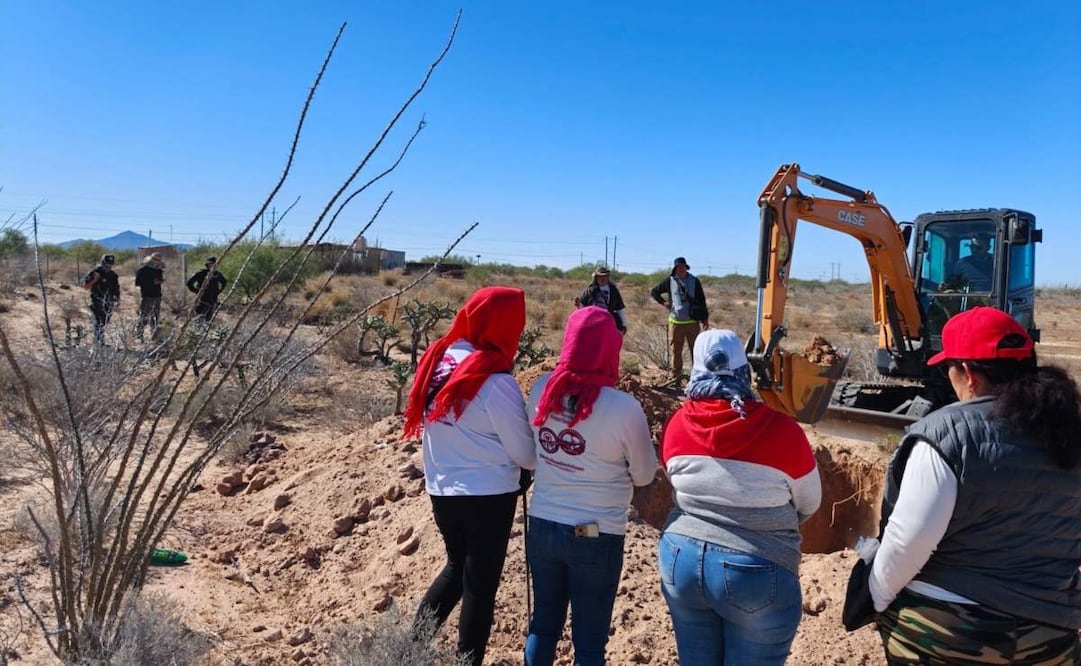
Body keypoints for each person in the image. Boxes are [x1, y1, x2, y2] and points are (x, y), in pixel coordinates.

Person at [869, 307, 1081, 664]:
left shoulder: (947, 433)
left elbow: (907, 543)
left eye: (948, 369)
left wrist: (874, 599)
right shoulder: (1069, 431)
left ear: (967, 374)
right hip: (1050, 634)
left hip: (951, 631)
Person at [657, 329, 821, 665]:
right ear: (744, 370)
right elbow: (809, 503)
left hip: (679, 558)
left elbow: (674, 480)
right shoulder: (783, 431)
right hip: (756, 568)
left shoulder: (676, 425)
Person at [403, 286, 537, 666]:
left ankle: (408, 650)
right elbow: (526, 454)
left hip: (441, 488)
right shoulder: (495, 380)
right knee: (480, 586)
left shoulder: (438, 359)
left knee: (455, 568)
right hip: (488, 495)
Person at [523, 306, 658, 666]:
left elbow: (533, 452)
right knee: (589, 642)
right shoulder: (623, 407)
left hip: (543, 525)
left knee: (543, 626)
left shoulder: (542, 389)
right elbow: (645, 475)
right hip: (596, 534)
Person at [650, 257, 708, 384]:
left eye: (683, 267)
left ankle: (698, 376)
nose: (681, 269)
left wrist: (705, 319)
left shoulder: (694, 281)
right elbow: (654, 292)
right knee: (675, 351)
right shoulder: (669, 281)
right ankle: (675, 376)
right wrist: (663, 303)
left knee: (696, 350)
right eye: (678, 267)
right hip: (675, 322)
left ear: (686, 267)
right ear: (675, 269)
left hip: (692, 322)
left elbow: (701, 300)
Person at [575, 266, 628, 334]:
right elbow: (583, 308)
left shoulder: (613, 290)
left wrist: (624, 325)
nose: (602, 278)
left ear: (608, 277)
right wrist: (579, 306)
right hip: (592, 322)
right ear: (596, 277)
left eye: (604, 276)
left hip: (609, 322)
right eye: (600, 276)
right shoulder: (589, 290)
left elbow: (620, 309)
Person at [83, 254, 121, 344]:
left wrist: (118, 300)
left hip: (109, 302)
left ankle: (101, 341)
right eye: (107, 263)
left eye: (110, 264)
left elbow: (116, 289)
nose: (108, 266)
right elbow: (86, 286)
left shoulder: (113, 275)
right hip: (97, 301)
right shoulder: (95, 272)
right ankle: (97, 342)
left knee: (104, 322)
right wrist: (95, 279)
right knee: (98, 322)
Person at [134, 252, 165, 341]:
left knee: (155, 316)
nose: (157, 262)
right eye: (155, 260)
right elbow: (138, 283)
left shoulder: (158, 270)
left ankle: (154, 335)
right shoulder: (143, 270)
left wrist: (160, 281)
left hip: (157, 295)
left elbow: (159, 280)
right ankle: (139, 335)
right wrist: (152, 282)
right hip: (147, 295)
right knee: (144, 315)